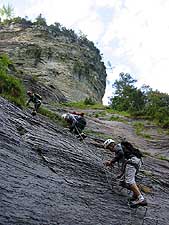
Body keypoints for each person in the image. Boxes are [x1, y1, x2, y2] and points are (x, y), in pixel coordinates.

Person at [104, 139, 147, 208]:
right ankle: (136, 193)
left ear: (112, 144)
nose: (110, 150)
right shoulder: (122, 149)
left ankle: (141, 199)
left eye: (108, 147)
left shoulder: (117, 147)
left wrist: (111, 162)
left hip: (132, 162)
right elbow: (124, 164)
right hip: (136, 162)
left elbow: (121, 154)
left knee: (129, 182)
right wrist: (121, 174)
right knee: (122, 183)